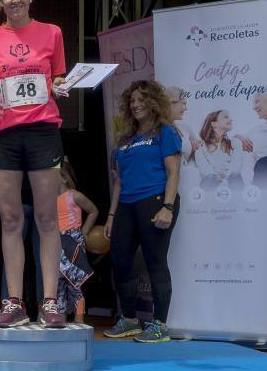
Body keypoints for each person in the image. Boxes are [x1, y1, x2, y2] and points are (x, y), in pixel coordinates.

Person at [0, 0, 68, 328]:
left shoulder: (52, 33)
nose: (15, 0)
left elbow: (57, 77)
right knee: (12, 219)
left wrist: (60, 85)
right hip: (3, 135)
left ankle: (50, 301)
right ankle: (13, 302)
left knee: (47, 218)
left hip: (43, 131)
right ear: (0, 1)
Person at [102, 80, 181, 343]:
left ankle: (159, 325)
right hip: (126, 204)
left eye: (141, 100)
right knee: (120, 261)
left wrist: (167, 207)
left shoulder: (165, 132)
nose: (135, 105)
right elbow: (119, 182)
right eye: (132, 101)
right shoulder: (126, 140)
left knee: (155, 262)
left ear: (153, 103)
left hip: (155, 200)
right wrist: (112, 215)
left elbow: (173, 173)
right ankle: (130, 320)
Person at [55, 159, 98, 324]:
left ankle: (79, 321)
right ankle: (60, 320)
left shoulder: (74, 195)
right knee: (57, 283)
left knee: (75, 282)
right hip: (56, 242)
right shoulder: (49, 199)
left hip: (73, 241)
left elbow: (93, 210)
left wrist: (84, 231)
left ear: (64, 178)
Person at [236, 85, 267, 189]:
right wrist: (239, 137)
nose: (254, 107)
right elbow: (230, 141)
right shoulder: (255, 132)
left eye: (257, 101)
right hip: (266, 178)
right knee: (263, 163)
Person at [195, 110, 248, 190]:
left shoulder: (235, 143)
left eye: (230, 118)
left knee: (235, 175)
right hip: (211, 180)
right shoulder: (201, 146)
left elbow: (236, 163)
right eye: (226, 117)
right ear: (214, 124)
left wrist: (227, 175)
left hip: (231, 178)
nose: (230, 119)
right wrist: (216, 177)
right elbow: (203, 167)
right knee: (210, 178)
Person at [166, 86, 201, 186]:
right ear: (171, 103)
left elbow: (200, 153)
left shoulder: (184, 126)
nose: (186, 108)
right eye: (184, 103)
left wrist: (196, 146)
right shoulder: (159, 130)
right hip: (169, 187)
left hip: (187, 183)